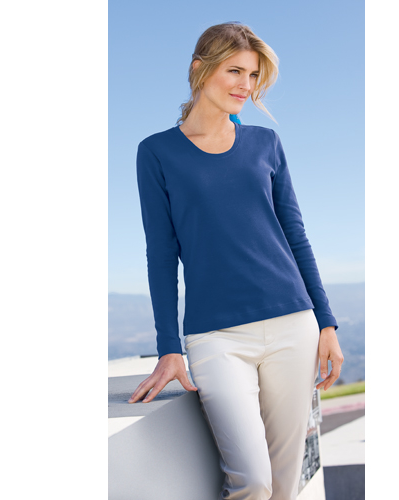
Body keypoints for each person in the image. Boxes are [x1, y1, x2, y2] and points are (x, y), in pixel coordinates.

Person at [129, 21, 344, 500]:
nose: (246, 85)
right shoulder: (157, 153)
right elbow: (161, 255)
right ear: (199, 68)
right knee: (253, 480)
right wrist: (169, 348)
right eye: (235, 71)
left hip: (293, 325)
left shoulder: (266, 143)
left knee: (283, 486)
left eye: (253, 75)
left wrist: (326, 322)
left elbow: (295, 235)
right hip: (216, 338)